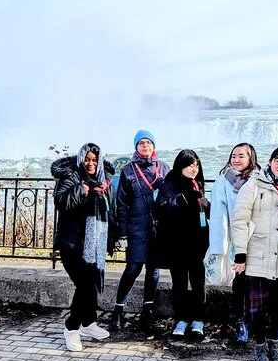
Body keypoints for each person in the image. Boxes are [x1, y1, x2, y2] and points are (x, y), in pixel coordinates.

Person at [231, 147, 278, 361]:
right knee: (258, 308)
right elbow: (240, 221)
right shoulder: (252, 185)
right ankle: (260, 348)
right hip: (257, 256)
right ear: (270, 161)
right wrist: (240, 253)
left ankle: (274, 345)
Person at [52, 143, 116, 351]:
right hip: (71, 242)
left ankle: (88, 323)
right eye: (87, 159)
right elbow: (61, 202)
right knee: (85, 284)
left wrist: (111, 238)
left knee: (91, 282)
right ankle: (71, 328)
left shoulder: (105, 180)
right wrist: (81, 190)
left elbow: (110, 210)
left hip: (95, 241)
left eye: (94, 160)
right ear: (81, 160)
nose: (90, 163)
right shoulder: (71, 176)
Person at [110, 130, 171, 332]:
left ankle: (148, 311)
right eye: (141, 143)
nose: (145, 146)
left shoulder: (164, 168)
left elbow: (171, 197)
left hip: (158, 228)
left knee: (153, 269)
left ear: (154, 145)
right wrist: (122, 232)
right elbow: (121, 203)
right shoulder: (128, 170)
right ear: (136, 147)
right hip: (136, 226)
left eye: (148, 143)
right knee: (133, 268)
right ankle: (118, 310)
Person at [208, 143, 260, 343]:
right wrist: (220, 245)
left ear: (251, 158)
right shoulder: (222, 181)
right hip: (236, 239)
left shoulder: (260, 179)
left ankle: (261, 320)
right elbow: (218, 214)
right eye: (234, 156)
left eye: (241, 156)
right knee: (240, 281)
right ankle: (241, 321)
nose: (236, 160)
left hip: (258, 237)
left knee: (260, 281)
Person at [155, 150, 210, 337]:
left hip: (196, 242)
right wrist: (182, 198)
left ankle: (198, 319)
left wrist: (205, 206)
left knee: (198, 281)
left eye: (197, 165)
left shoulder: (197, 183)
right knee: (179, 282)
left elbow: (201, 212)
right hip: (176, 242)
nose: (194, 169)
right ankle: (181, 320)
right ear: (180, 166)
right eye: (190, 165)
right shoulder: (170, 183)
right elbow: (161, 207)